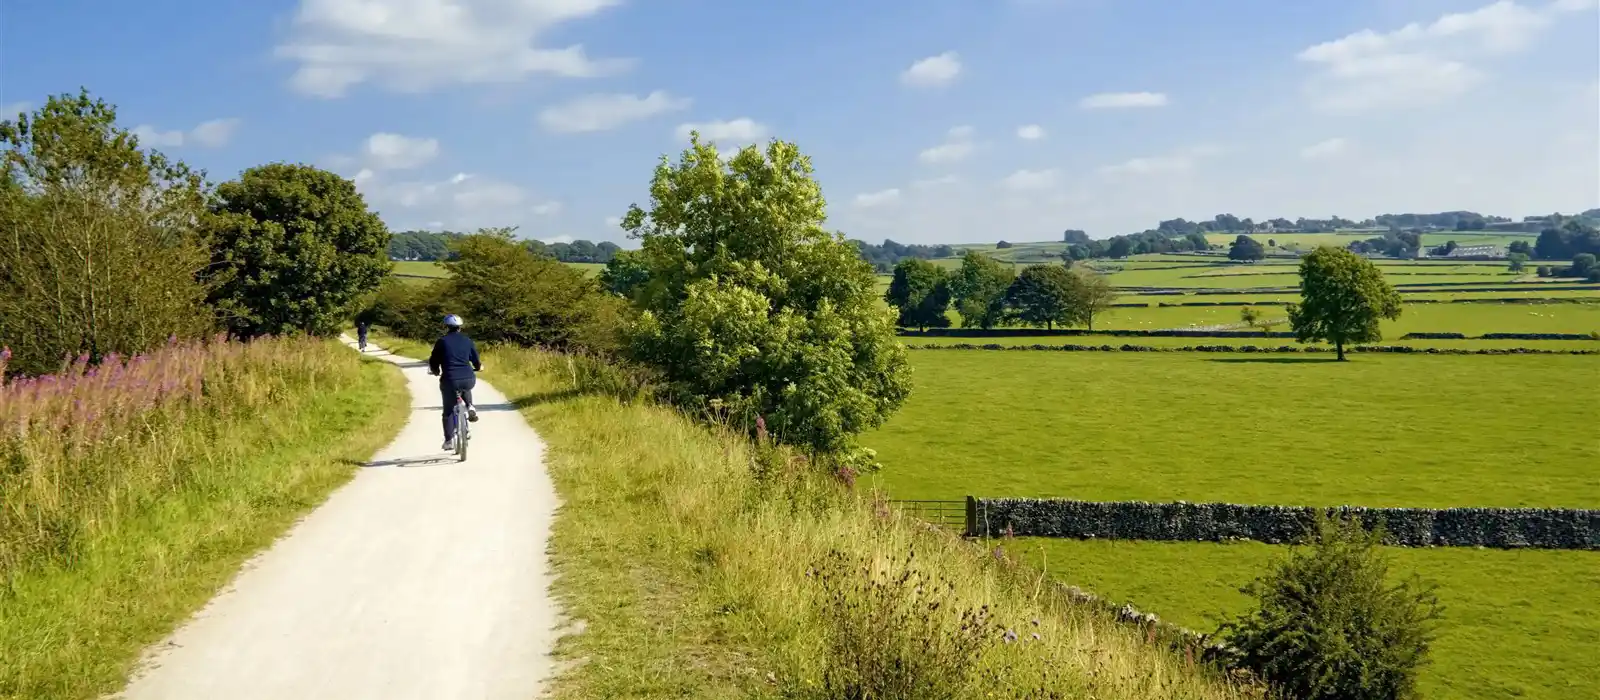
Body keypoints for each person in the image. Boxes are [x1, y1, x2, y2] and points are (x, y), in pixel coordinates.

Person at [428, 314, 481, 451]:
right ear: (460, 327)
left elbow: (434, 360)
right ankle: (470, 406)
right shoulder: (467, 340)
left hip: (450, 379)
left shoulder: (442, 342)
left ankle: (449, 440)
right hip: (468, 377)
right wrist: (479, 367)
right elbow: (475, 359)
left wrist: (435, 371)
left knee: (448, 411)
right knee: (465, 387)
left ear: (446, 327)